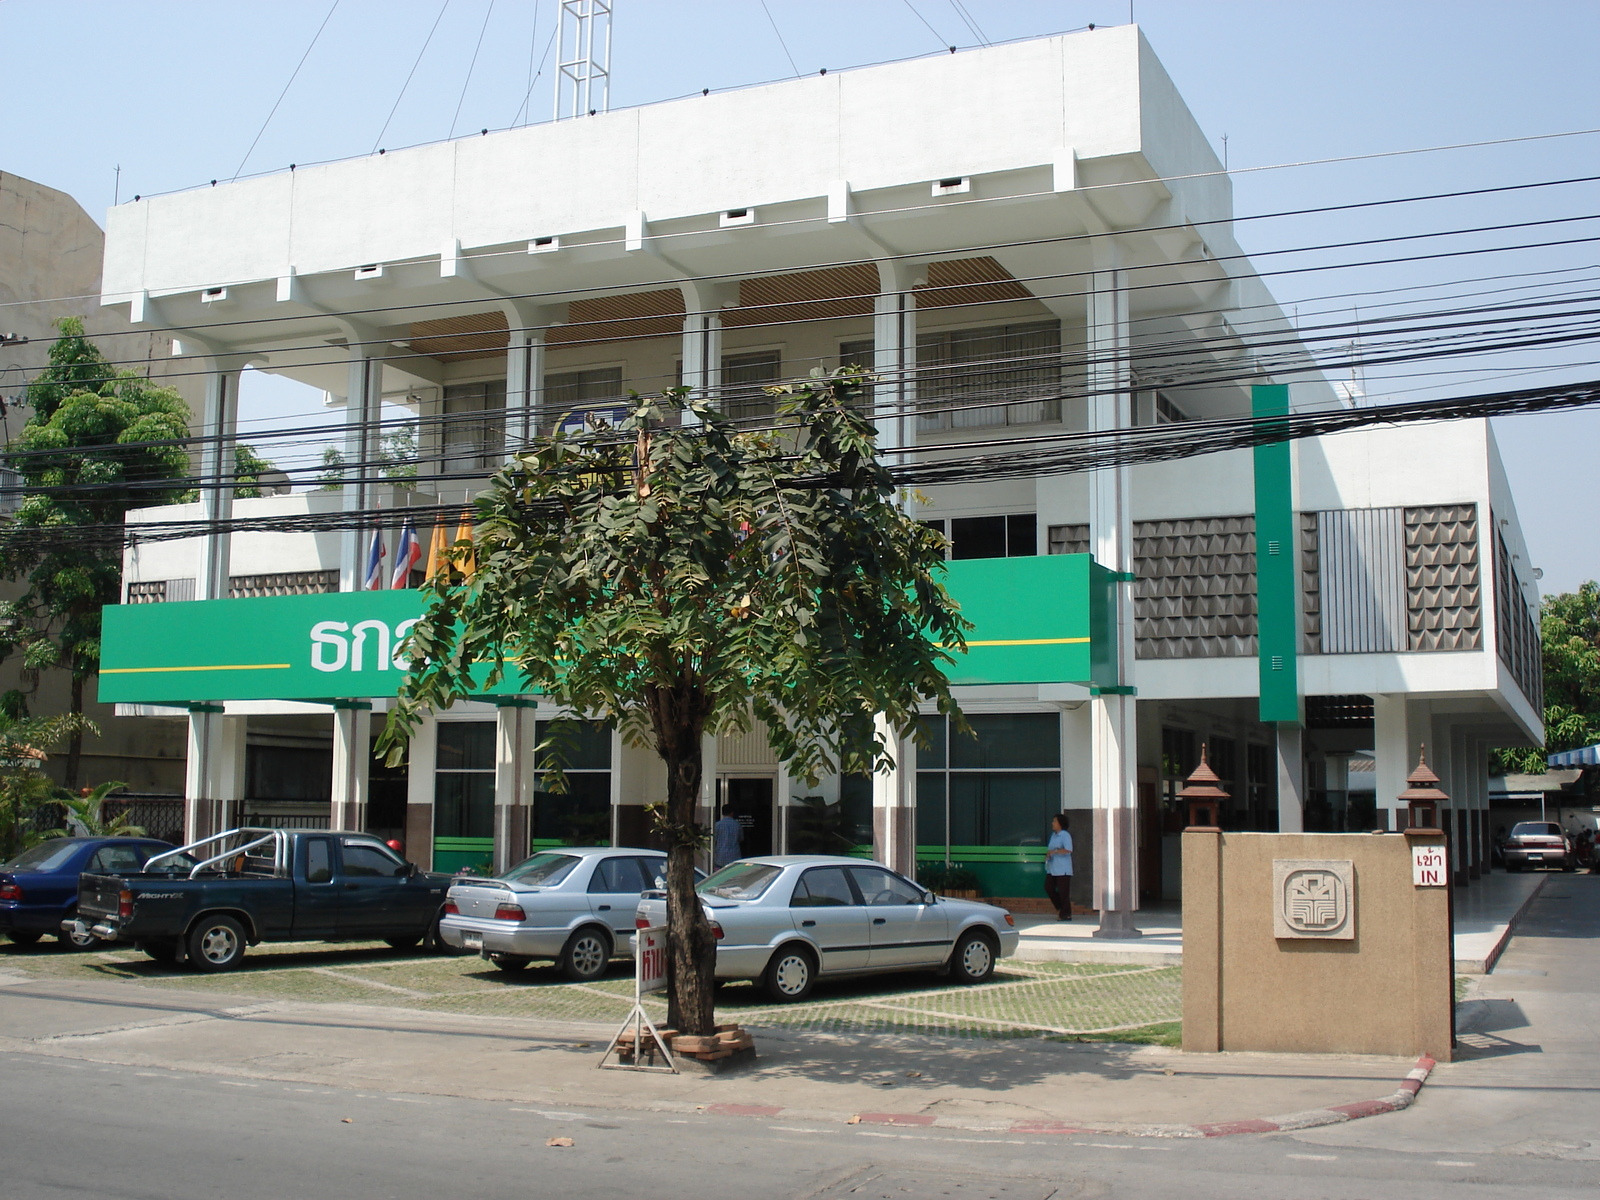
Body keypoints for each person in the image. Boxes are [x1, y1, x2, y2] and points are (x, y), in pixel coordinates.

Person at [1044, 813, 1073, 921]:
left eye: (1055, 821)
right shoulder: (1053, 835)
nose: (1053, 823)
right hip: (1052, 868)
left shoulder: (1065, 835)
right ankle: (1061, 907)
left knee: (1063, 892)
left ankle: (1066, 914)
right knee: (1048, 887)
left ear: (1060, 823)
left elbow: (1068, 850)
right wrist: (1048, 855)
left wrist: (1055, 851)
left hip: (1063, 869)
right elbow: (1050, 849)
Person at [713, 805, 743, 870]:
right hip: (734, 856)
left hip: (720, 857)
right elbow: (741, 838)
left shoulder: (717, 825)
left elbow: (714, 839)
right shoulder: (737, 824)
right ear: (732, 813)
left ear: (722, 813)